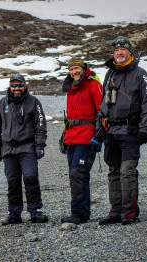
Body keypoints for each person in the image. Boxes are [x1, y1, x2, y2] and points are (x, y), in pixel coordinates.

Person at [94, 36, 147, 226]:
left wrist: (144, 130)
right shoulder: (109, 74)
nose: (119, 53)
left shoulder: (141, 74)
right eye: (116, 51)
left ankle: (130, 212)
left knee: (127, 171)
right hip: (111, 131)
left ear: (130, 52)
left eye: (123, 50)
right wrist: (99, 130)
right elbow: (103, 104)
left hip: (130, 130)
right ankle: (116, 210)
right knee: (113, 171)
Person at [0, 73, 49, 225]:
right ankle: (14, 214)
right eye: (14, 85)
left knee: (31, 178)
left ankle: (36, 211)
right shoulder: (3, 103)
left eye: (19, 85)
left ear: (25, 86)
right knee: (13, 182)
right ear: (10, 86)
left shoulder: (34, 102)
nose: (17, 88)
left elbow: (41, 126)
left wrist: (40, 145)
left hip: (27, 148)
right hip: (8, 150)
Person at [60, 57, 104, 225]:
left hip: (87, 136)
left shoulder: (93, 85)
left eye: (77, 68)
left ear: (84, 69)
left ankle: (78, 213)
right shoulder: (71, 87)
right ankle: (82, 212)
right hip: (72, 137)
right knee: (76, 175)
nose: (74, 72)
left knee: (78, 173)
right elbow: (70, 115)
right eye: (71, 69)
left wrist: (99, 135)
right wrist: (64, 136)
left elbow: (102, 110)